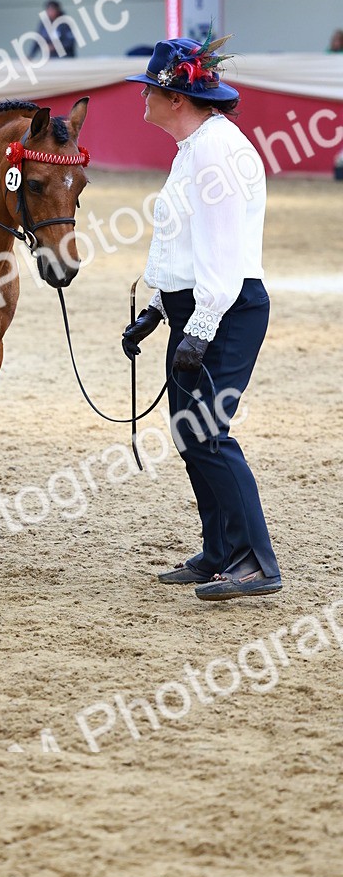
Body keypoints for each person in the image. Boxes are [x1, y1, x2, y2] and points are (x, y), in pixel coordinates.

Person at [121, 34, 282, 601]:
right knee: (191, 435)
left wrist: (201, 326)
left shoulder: (214, 151)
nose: (143, 97)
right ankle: (219, 552)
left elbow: (220, 252)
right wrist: (157, 309)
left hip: (226, 306)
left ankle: (255, 561)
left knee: (209, 432)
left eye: (150, 89)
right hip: (199, 304)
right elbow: (182, 247)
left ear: (176, 99)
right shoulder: (195, 148)